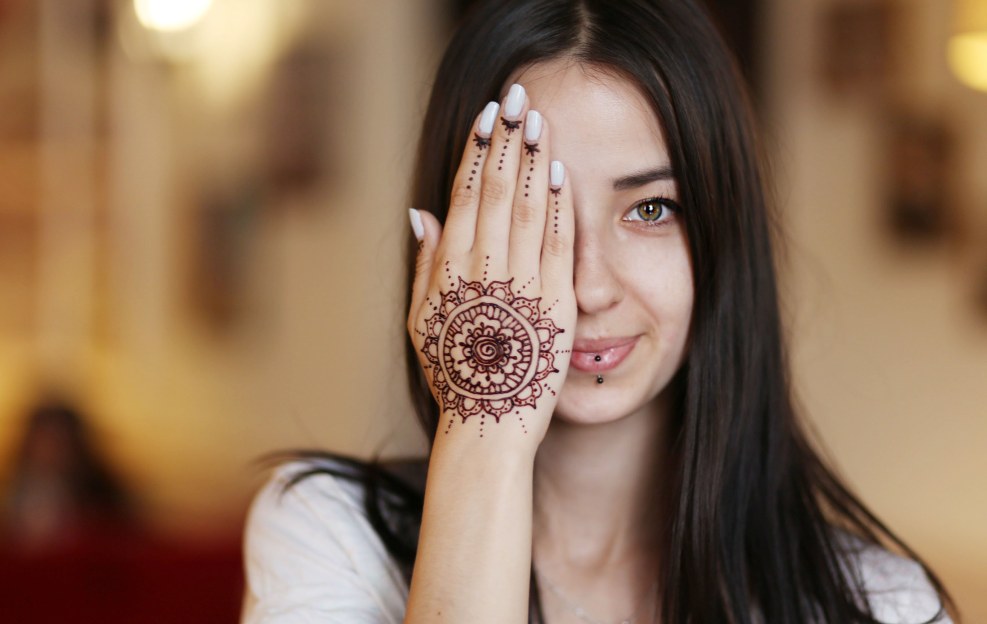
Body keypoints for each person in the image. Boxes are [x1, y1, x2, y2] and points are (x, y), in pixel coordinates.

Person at [241, 1, 958, 622]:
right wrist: (485, 422)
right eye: (531, 213)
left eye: (650, 209)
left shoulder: (879, 604)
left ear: (721, 236)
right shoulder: (327, 534)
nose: (587, 287)